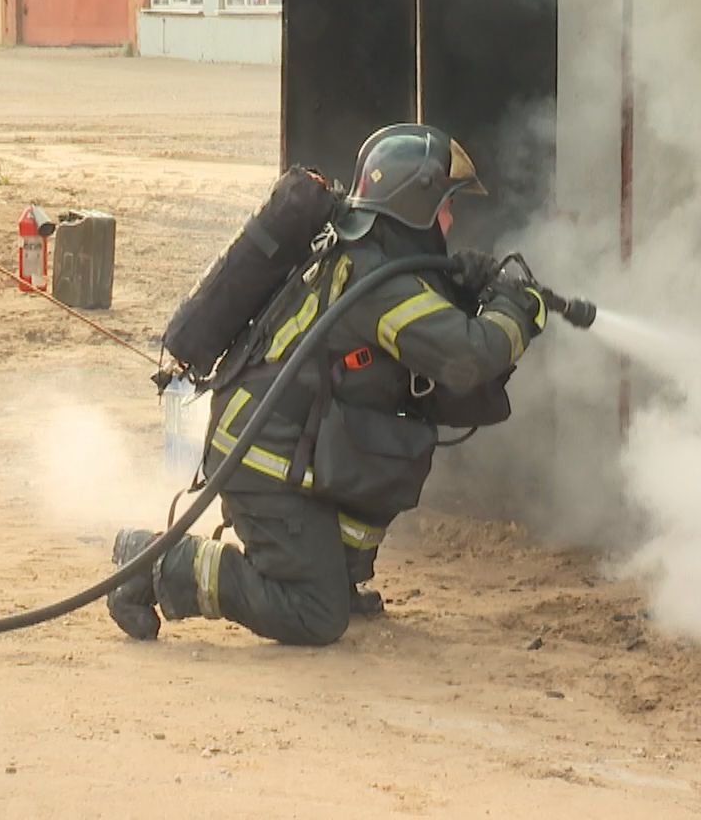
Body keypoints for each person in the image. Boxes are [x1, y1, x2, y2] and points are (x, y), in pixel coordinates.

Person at [108, 124, 545, 646]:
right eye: (446, 206)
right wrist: (518, 308)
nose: (451, 219)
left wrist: (463, 288)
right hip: (262, 458)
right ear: (416, 205)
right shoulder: (378, 285)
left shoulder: (366, 251)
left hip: (281, 441)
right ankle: (159, 563)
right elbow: (470, 356)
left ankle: (330, 572)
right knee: (315, 614)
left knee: (389, 449)